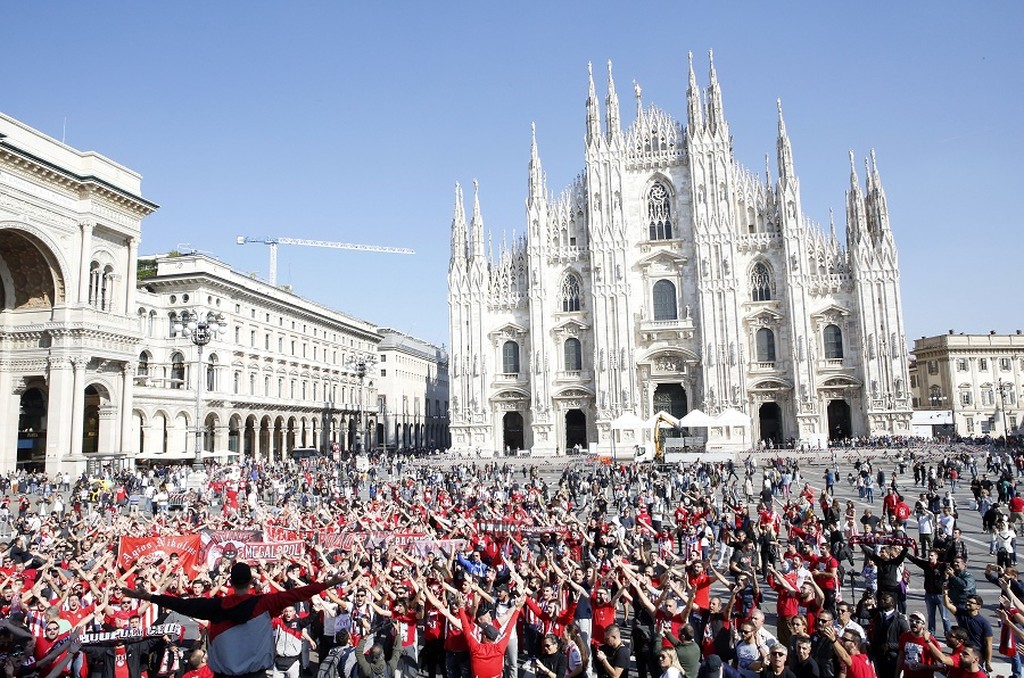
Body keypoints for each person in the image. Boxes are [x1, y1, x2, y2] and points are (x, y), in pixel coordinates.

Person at [123, 562, 345, 678]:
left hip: (223, 675)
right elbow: (298, 593)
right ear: (251, 581)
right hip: (255, 675)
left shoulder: (215, 606)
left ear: (230, 581)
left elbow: (182, 604)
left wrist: (146, 596)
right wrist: (328, 583)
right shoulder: (265, 603)